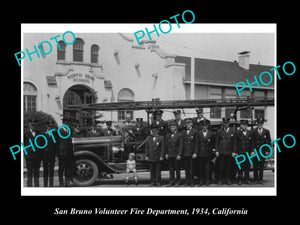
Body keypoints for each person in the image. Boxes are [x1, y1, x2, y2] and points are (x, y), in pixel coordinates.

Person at [215, 117, 237, 185]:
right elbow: (217, 142)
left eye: (227, 123)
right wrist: (217, 150)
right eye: (224, 123)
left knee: (229, 167)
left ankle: (228, 180)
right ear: (223, 123)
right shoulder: (219, 131)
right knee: (221, 166)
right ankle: (220, 180)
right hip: (222, 151)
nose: (226, 124)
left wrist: (234, 151)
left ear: (229, 123)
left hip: (229, 152)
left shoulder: (233, 131)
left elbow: (234, 143)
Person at [24, 119, 43, 187]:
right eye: (32, 124)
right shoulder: (25, 133)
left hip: (37, 157)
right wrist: (26, 154)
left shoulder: (39, 133)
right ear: (29, 125)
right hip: (29, 157)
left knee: (36, 173)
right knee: (29, 173)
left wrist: (41, 155)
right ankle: (29, 188)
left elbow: (42, 145)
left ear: (36, 125)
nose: (33, 126)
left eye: (34, 125)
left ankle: (36, 187)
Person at [251, 118, 271, 184]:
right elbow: (252, 142)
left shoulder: (266, 131)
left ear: (262, 124)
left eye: (261, 124)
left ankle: (260, 179)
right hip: (255, 151)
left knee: (261, 166)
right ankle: (255, 179)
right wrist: (252, 150)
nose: (260, 125)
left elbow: (268, 142)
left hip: (263, 151)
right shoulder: (253, 131)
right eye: (258, 124)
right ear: (257, 124)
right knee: (255, 165)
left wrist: (268, 150)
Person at [181, 118, 198, 187]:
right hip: (185, 153)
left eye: (189, 123)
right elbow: (182, 144)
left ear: (191, 123)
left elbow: (196, 143)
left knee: (192, 168)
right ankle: (187, 181)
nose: (187, 124)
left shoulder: (195, 131)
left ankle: (192, 182)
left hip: (192, 153)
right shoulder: (183, 132)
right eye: (186, 123)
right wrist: (181, 153)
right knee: (186, 168)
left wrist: (195, 152)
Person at [197, 120, 215, 186]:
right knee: (201, 168)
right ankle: (201, 181)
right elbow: (197, 143)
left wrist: (213, 149)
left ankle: (207, 181)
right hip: (200, 153)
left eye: (206, 126)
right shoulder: (198, 133)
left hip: (208, 153)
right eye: (203, 126)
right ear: (201, 126)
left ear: (207, 126)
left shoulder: (211, 133)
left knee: (207, 168)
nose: (204, 127)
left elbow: (213, 143)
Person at [165, 121, 183, 187]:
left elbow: (181, 145)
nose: (172, 128)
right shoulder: (168, 135)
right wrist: (166, 153)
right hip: (170, 154)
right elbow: (166, 145)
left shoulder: (179, 135)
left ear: (176, 128)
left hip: (176, 154)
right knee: (171, 169)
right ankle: (171, 181)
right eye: (171, 127)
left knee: (177, 168)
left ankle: (178, 181)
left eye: (173, 127)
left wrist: (179, 154)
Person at [58, 118, 74, 187]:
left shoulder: (69, 130)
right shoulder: (60, 130)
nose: (67, 124)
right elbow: (58, 142)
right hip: (62, 152)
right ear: (63, 123)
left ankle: (67, 183)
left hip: (68, 152)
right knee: (61, 168)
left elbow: (71, 139)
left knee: (68, 168)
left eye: (68, 123)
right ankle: (61, 183)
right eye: (65, 123)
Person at [236, 120, 252, 185]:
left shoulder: (250, 132)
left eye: (245, 125)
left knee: (247, 166)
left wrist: (253, 151)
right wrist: (236, 152)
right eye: (242, 125)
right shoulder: (237, 132)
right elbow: (235, 143)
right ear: (240, 125)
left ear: (247, 125)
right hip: (240, 152)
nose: (244, 126)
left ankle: (247, 179)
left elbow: (252, 143)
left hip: (247, 152)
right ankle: (240, 179)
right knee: (240, 166)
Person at [43, 120, 58, 187]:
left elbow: (56, 145)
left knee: (51, 171)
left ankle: (51, 185)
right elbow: (40, 145)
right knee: (45, 171)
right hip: (45, 155)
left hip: (52, 155)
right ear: (47, 126)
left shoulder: (55, 134)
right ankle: (45, 185)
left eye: (51, 126)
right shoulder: (43, 134)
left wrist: (56, 155)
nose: (50, 127)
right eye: (49, 126)